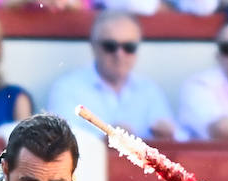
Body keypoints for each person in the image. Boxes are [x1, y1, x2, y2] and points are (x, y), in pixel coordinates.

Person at [46, 11, 181, 142]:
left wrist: (168, 137)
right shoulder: (67, 89)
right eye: (110, 46)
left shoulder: (150, 90)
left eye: (129, 47)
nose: (119, 54)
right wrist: (104, 142)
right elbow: (61, 145)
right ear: (93, 46)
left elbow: (179, 137)